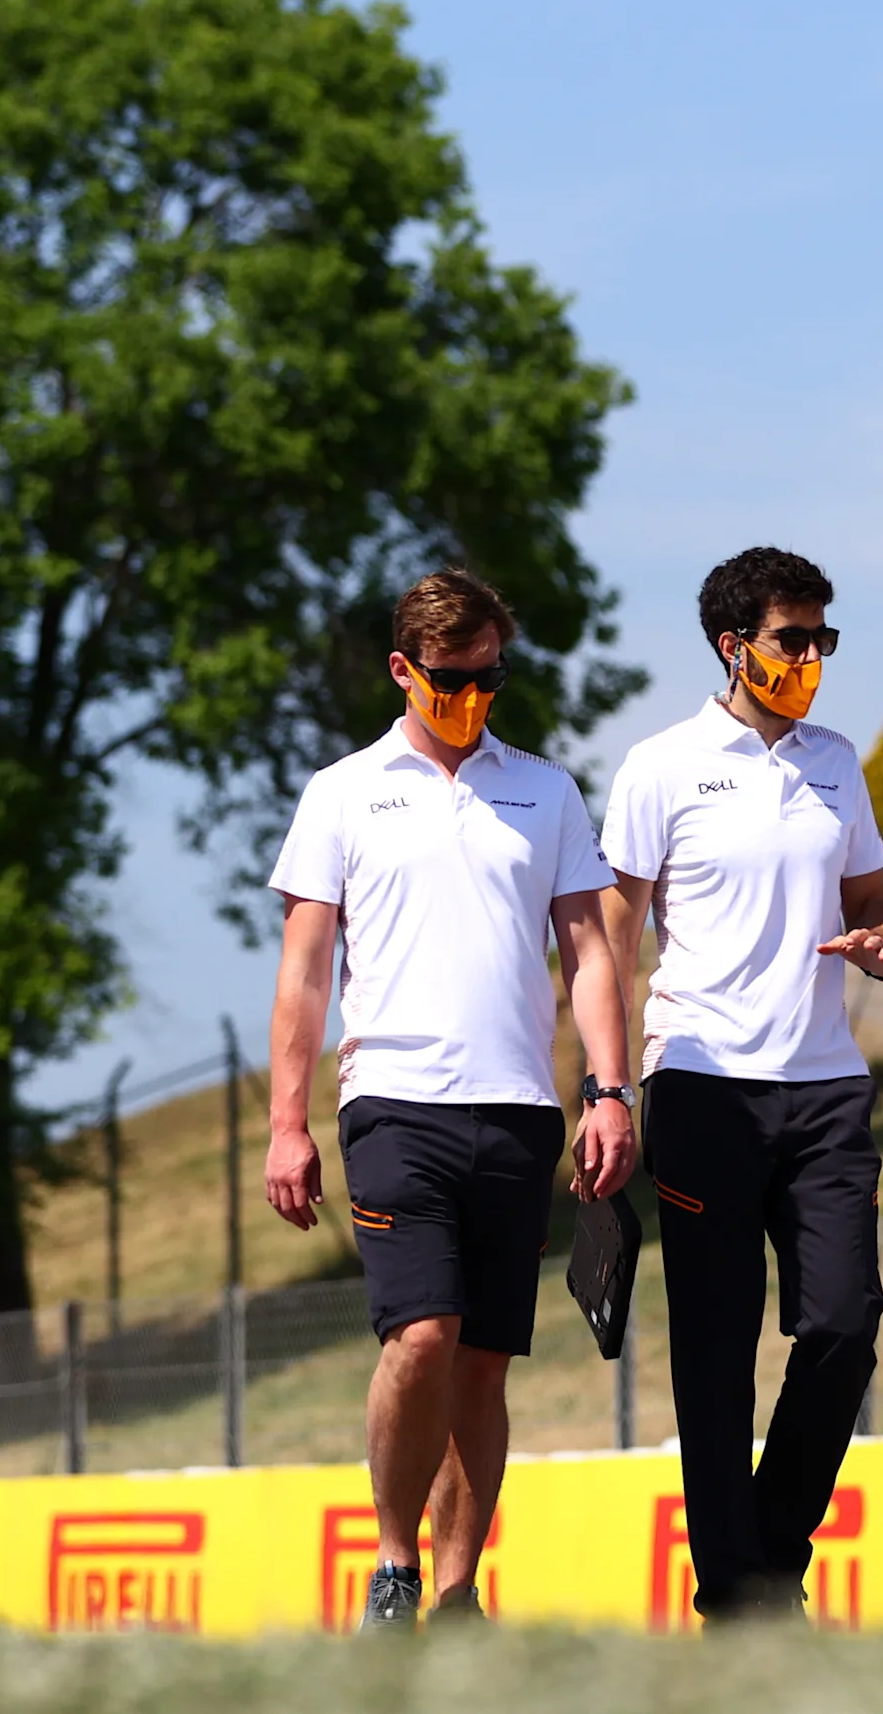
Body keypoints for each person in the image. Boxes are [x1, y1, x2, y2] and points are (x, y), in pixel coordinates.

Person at [263, 568, 637, 1632]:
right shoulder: (341, 793)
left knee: (480, 1363)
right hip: (392, 1105)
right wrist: (287, 1124)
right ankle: (393, 1565)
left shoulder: (545, 791)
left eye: (488, 679)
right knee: (420, 1337)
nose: (471, 697)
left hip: (515, 1110)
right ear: (402, 670)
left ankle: (462, 1591)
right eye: (449, 680)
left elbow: (588, 950)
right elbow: (303, 973)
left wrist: (608, 1093)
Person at [598, 546, 883, 1624]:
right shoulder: (658, 766)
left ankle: (771, 1546)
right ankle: (736, 1593)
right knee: (715, 1346)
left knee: (845, 1322)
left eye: (823, 638)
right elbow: (611, 937)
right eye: (792, 639)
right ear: (734, 646)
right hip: (702, 1083)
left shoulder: (837, 761)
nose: (812, 656)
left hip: (824, 1086)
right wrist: (605, 1087)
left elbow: (869, 895)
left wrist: (874, 936)